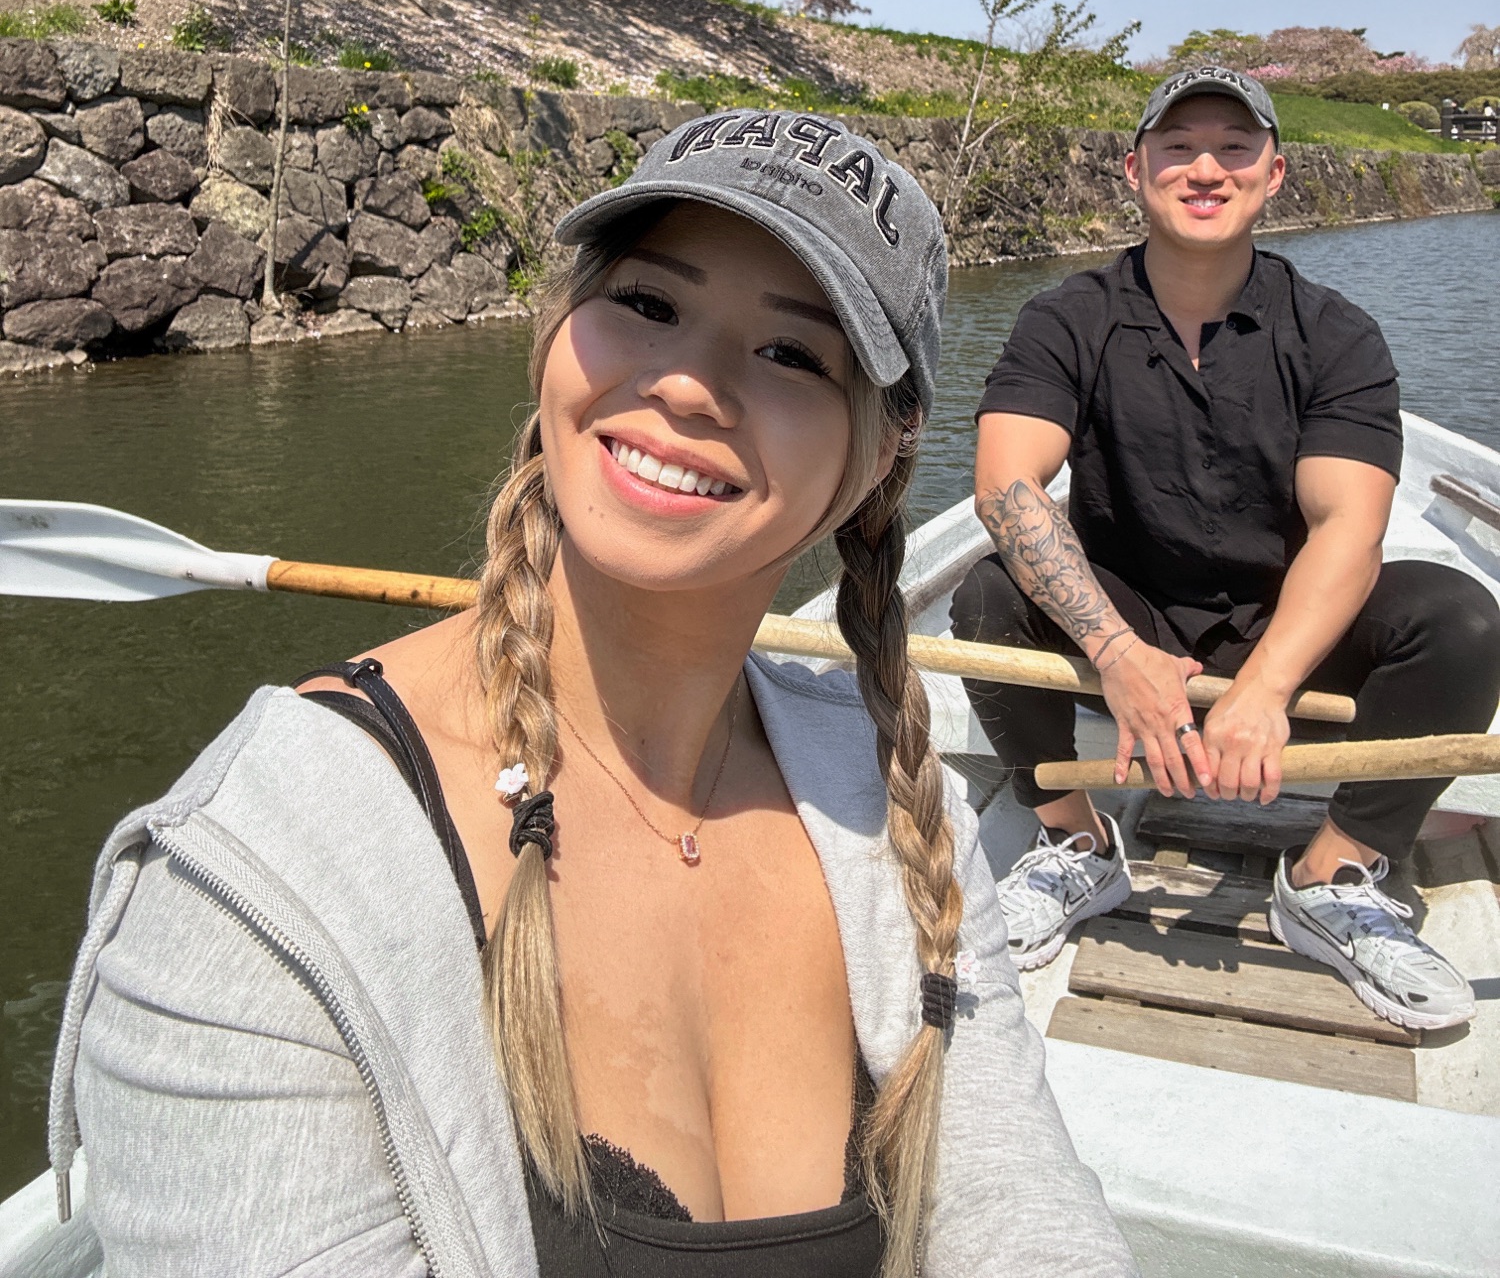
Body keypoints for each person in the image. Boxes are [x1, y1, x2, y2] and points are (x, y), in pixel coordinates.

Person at [53, 115, 1133, 1278]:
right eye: (649, 305)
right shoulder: (256, 879)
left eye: (791, 355)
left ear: (881, 455)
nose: (685, 384)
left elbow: (1019, 1207)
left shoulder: (894, 806)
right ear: (554, 337)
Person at [952, 65, 1500, 1032]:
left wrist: (1264, 687)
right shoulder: (1064, 319)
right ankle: (1075, 846)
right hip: (1128, 622)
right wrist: (1116, 655)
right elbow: (1006, 485)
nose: (1206, 168)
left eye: (1234, 147)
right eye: (1179, 146)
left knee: (1460, 619)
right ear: (1134, 169)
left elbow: (1348, 527)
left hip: (1282, 625)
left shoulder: (1336, 335)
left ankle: (1333, 874)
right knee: (990, 595)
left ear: (1275, 173)